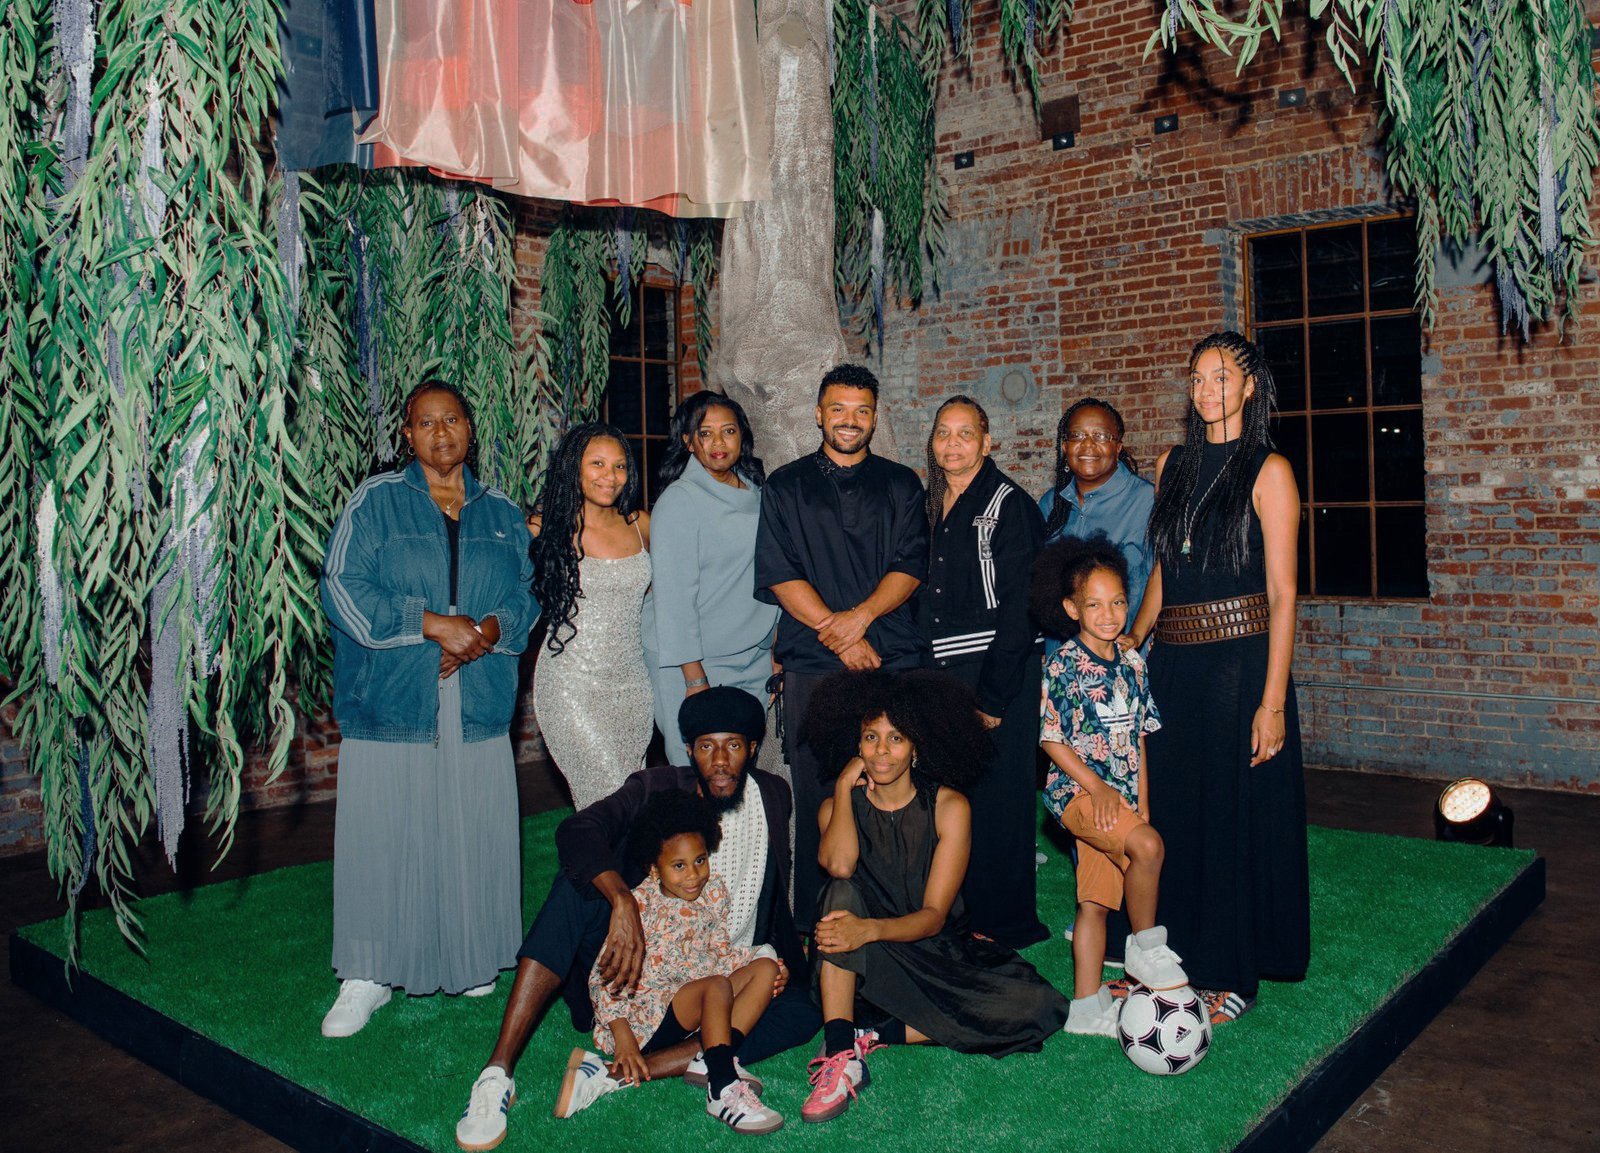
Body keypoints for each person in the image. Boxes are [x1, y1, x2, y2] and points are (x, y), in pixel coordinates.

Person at [454, 687, 818, 1152]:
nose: (720, 761)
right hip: (635, 972)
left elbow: (778, 890)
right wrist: (622, 900)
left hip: (721, 966)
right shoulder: (655, 787)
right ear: (688, 750)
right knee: (574, 889)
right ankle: (497, 1074)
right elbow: (578, 830)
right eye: (706, 746)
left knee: (804, 1012)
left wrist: (772, 956)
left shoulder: (774, 794)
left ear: (752, 747)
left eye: (733, 745)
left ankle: (635, 1071)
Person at [318, 380, 538, 1038]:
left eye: (452, 420)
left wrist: (486, 633)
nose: (441, 433)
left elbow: (528, 595)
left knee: (471, 829)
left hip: (477, 693)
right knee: (383, 832)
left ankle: (470, 956)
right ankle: (367, 974)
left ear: (470, 427)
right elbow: (341, 588)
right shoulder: (376, 501)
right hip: (393, 693)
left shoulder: (501, 511)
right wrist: (431, 626)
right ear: (407, 435)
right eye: (425, 423)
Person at [1125, 330, 1310, 1025]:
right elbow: (1166, 569)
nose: (1206, 389)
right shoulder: (1172, 462)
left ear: (1250, 386)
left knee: (1231, 815)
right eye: (1198, 377)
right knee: (1174, 809)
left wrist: (1273, 702)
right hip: (1173, 662)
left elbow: (1284, 593)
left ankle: (1233, 970)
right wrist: (1134, 638)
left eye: (1221, 376)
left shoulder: (1270, 470)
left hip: (1241, 664)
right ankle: (1168, 953)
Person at [798, 670, 1069, 1124]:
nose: (881, 751)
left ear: (916, 747)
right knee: (839, 894)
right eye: (870, 737)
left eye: (896, 738)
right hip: (858, 960)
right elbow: (839, 867)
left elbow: (933, 917)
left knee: (1038, 1006)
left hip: (928, 949)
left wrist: (870, 929)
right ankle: (842, 1054)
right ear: (856, 745)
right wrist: (843, 788)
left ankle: (872, 1033)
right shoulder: (836, 807)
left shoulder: (948, 806)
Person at [754, 363, 929, 932]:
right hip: (813, 664)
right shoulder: (784, 485)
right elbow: (780, 573)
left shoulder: (902, 484)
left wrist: (862, 619)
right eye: (838, 409)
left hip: (891, 658)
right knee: (817, 793)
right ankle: (814, 926)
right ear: (818, 414)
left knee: (896, 791)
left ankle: (897, 919)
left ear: (874, 418)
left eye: (861, 411)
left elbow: (910, 566)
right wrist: (838, 633)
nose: (849, 421)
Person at [1030, 535, 1189, 1037]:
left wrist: (1141, 800)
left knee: (1093, 904)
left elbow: (1139, 735)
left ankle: (1084, 1007)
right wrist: (1098, 789)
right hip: (1078, 795)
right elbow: (1050, 739)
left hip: (1120, 797)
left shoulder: (1134, 662)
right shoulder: (1063, 664)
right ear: (1071, 608)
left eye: (1118, 602)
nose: (1108, 614)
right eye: (1094, 604)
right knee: (1149, 848)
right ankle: (1146, 947)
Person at [558, 792, 785, 1134]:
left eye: (700, 860)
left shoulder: (714, 893)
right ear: (654, 868)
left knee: (765, 968)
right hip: (645, 1019)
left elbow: (719, 954)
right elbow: (603, 978)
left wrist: (763, 959)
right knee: (716, 986)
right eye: (679, 866)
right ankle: (722, 1086)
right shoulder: (641, 905)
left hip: (695, 1001)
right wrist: (623, 1036)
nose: (693, 875)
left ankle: (711, 1058)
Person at [918, 396, 1048, 948]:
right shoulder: (930, 503)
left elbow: (1023, 608)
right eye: (943, 433)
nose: (953, 443)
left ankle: (1004, 925)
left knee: (1000, 800)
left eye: (965, 433)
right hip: (942, 674)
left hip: (997, 673)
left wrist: (993, 698)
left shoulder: (1009, 505)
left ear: (987, 441)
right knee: (953, 800)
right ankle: (958, 915)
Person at [642, 392, 779, 765]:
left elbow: (774, 574)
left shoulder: (759, 493)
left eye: (728, 431)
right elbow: (673, 599)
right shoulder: (679, 500)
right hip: (692, 659)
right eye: (705, 433)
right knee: (695, 771)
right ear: (688, 442)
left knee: (738, 769)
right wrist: (694, 679)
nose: (719, 442)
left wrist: (775, 648)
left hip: (752, 655)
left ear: (741, 437)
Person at [530, 423, 654, 812]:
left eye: (619, 466)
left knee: (632, 797)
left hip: (633, 686)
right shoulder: (544, 528)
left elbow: (658, 603)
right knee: (606, 800)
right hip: (571, 685)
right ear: (574, 467)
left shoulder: (641, 525)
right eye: (597, 463)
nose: (610, 476)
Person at [1039, 397, 1156, 623]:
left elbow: (1161, 583)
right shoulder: (1050, 504)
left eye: (1101, 436)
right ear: (1065, 446)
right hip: (1061, 643)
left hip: (1124, 641)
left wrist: (1137, 635)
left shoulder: (1146, 501)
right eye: (1077, 435)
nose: (1088, 445)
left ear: (1118, 447)